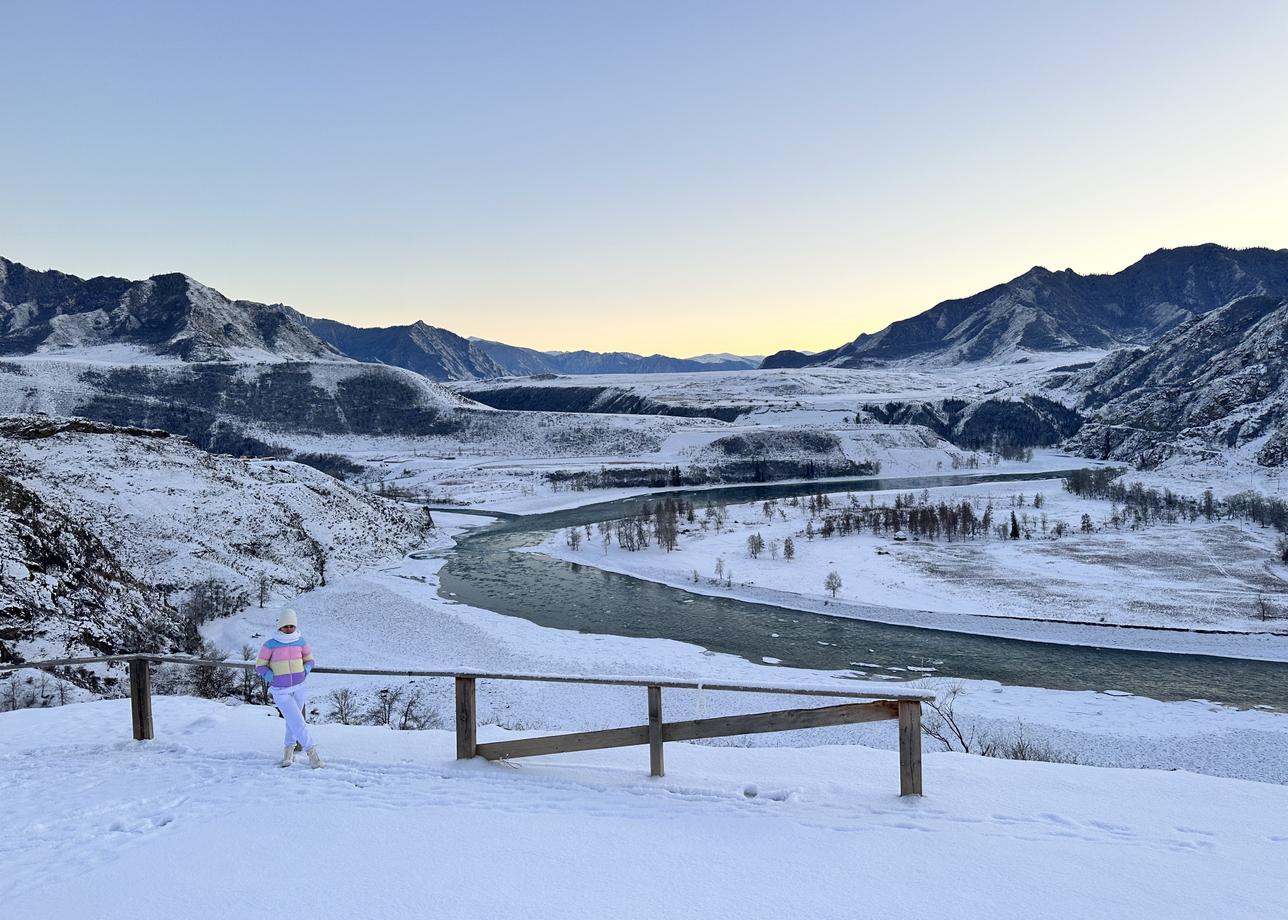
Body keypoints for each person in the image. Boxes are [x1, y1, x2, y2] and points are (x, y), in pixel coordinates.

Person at [255, 608, 324, 768]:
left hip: (299, 687)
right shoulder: (270, 644)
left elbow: (310, 660)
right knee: (298, 721)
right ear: (280, 626)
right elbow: (260, 665)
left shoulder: (301, 641)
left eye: (291, 626)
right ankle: (312, 755)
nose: (288, 629)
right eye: (285, 626)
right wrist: (272, 677)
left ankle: (288, 752)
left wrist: (305, 671)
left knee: (292, 721)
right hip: (281, 690)